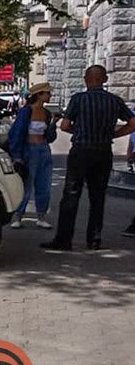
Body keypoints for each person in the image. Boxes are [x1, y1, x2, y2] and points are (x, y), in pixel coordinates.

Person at [42, 65, 135, 251]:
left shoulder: (78, 99)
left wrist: (79, 131)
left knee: (71, 194)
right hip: (103, 151)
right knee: (97, 196)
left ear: (86, 79)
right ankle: (94, 239)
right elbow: (132, 123)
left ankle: (64, 239)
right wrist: (114, 134)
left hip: (81, 150)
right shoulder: (114, 101)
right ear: (105, 79)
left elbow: (65, 125)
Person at [6, 82, 57, 229]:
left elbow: (50, 137)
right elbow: (16, 133)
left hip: (44, 149)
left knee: (44, 184)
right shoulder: (26, 111)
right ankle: (18, 216)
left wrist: (54, 123)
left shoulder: (46, 113)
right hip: (29, 150)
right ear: (39, 95)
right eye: (47, 93)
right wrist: (17, 155)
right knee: (26, 184)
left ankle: (41, 216)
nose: (50, 95)